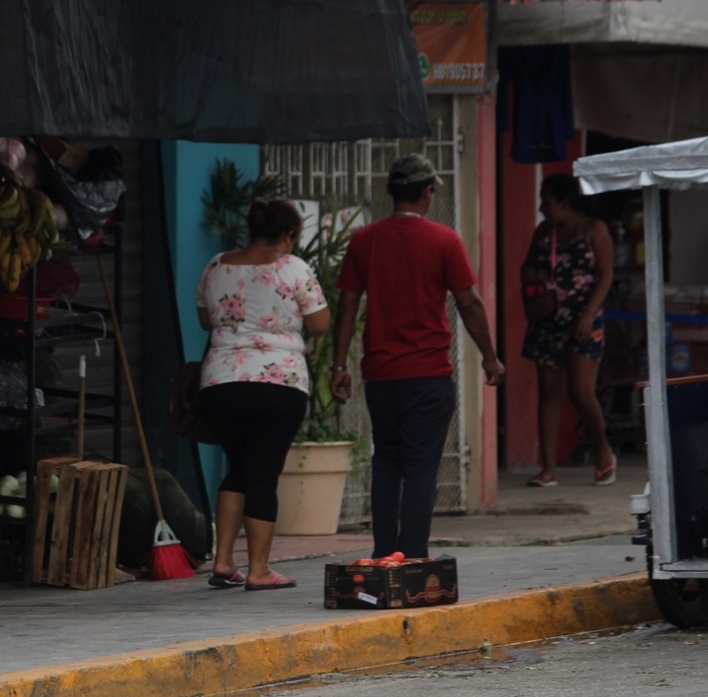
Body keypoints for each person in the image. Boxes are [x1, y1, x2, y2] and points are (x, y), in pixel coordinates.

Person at [330, 154, 504, 560]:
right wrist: (490, 357)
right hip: (427, 376)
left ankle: (381, 554)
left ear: (391, 193)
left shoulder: (364, 240)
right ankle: (410, 557)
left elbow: (347, 305)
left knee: (387, 463)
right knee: (421, 468)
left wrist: (339, 365)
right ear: (427, 193)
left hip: (381, 378)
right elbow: (470, 304)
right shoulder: (445, 241)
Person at [196, 198, 331, 591]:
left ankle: (223, 561)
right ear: (288, 234)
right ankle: (258, 570)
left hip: (220, 384)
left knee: (238, 467)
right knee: (263, 473)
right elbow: (321, 323)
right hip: (278, 384)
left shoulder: (215, 265)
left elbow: (205, 318)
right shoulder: (293, 268)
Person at [521, 173, 615, 488]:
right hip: (548, 321)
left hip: (584, 320)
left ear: (563, 202)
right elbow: (526, 268)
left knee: (580, 391)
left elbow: (605, 276)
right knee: (548, 391)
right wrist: (532, 275)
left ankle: (603, 449)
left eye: (546, 201)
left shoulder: (593, 230)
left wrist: (588, 314)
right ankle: (548, 469)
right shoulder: (544, 232)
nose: (541, 207)